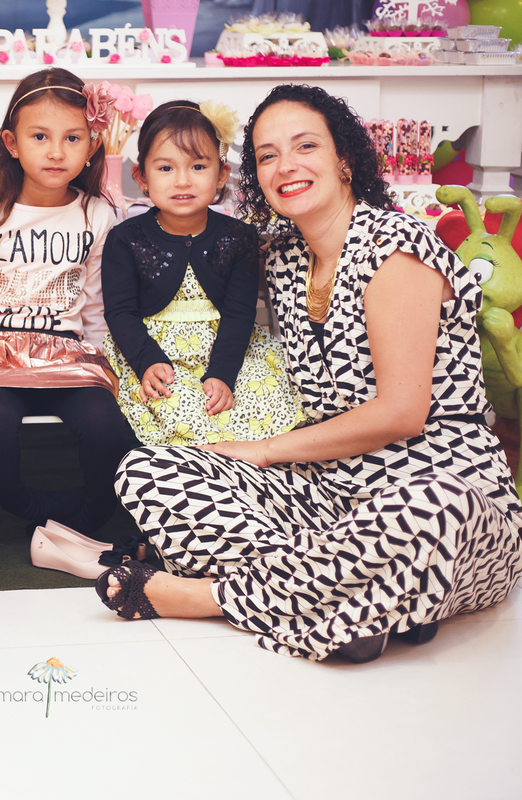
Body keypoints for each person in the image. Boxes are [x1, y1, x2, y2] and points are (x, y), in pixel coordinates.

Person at [101, 83, 522, 664]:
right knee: (149, 472)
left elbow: (402, 414)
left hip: (436, 491)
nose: (286, 166)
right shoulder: (278, 257)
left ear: (344, 159)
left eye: (305, 146)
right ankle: (362, 599)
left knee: (433, 511)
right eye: (268, 155)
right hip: (326, 494)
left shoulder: (396, 248)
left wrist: (266, 449)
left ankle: (203, 597)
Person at [0, 67, 143, 552]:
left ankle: (89, 515)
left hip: (66, 354)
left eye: (72, 137)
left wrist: (111, 371)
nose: (55, 151)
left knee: (107, 426)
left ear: (92, 145)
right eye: (39, 136)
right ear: (11, 142)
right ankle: (29, 509)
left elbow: (96, 308)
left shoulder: (97, 214)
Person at [102, 99, 303, 447]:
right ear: (142, 177)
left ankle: (249, 474)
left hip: (226, 348)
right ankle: (191, 478)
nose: (182, 181)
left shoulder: (237, 237)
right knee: (175, 403)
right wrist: (147, 361)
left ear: (221, 174)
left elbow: (240, 312)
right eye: (165, 168)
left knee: (260, 393)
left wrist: (223, 374)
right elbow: (121, 312)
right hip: (155, 352)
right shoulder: (125, 238)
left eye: (197, 166)